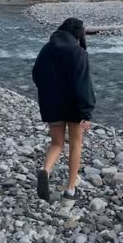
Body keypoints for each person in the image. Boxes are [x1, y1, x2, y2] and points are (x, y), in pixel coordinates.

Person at [32, 17, 96, 202]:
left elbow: (36, 75)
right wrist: (87, 111)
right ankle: (70, 188)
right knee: (76, 145)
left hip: (51, 104)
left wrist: (48, 94)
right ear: (78, 34)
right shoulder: (78, 52)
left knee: (56, 143)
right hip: (74, 106)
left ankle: (45, 170)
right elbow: (83, 85)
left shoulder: (47, 49)